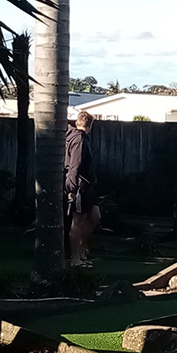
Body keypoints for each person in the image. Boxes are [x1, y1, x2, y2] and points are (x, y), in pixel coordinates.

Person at [64, 109, 101, 265]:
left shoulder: (79, 138)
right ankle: (75, 258)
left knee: (95, 216)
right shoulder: (79, 139)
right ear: (90, 125)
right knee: (78, 222)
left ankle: (82, 250)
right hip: (79, 187)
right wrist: (71, 190)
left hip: (88, 187)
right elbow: (74, 166)